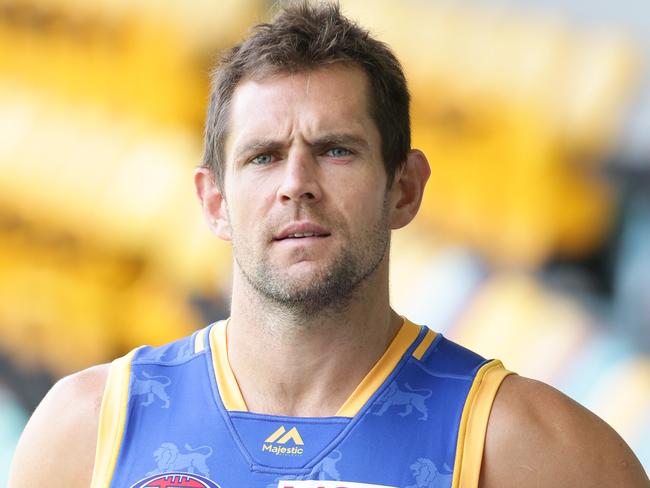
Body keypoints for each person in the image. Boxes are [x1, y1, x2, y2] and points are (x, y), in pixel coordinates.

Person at [9, 2, 649, 487]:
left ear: (405, 188)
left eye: (335, 150)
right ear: (213, 201)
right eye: (263, 157)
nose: (297, 185)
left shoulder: (532, 451)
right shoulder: (86, 432)